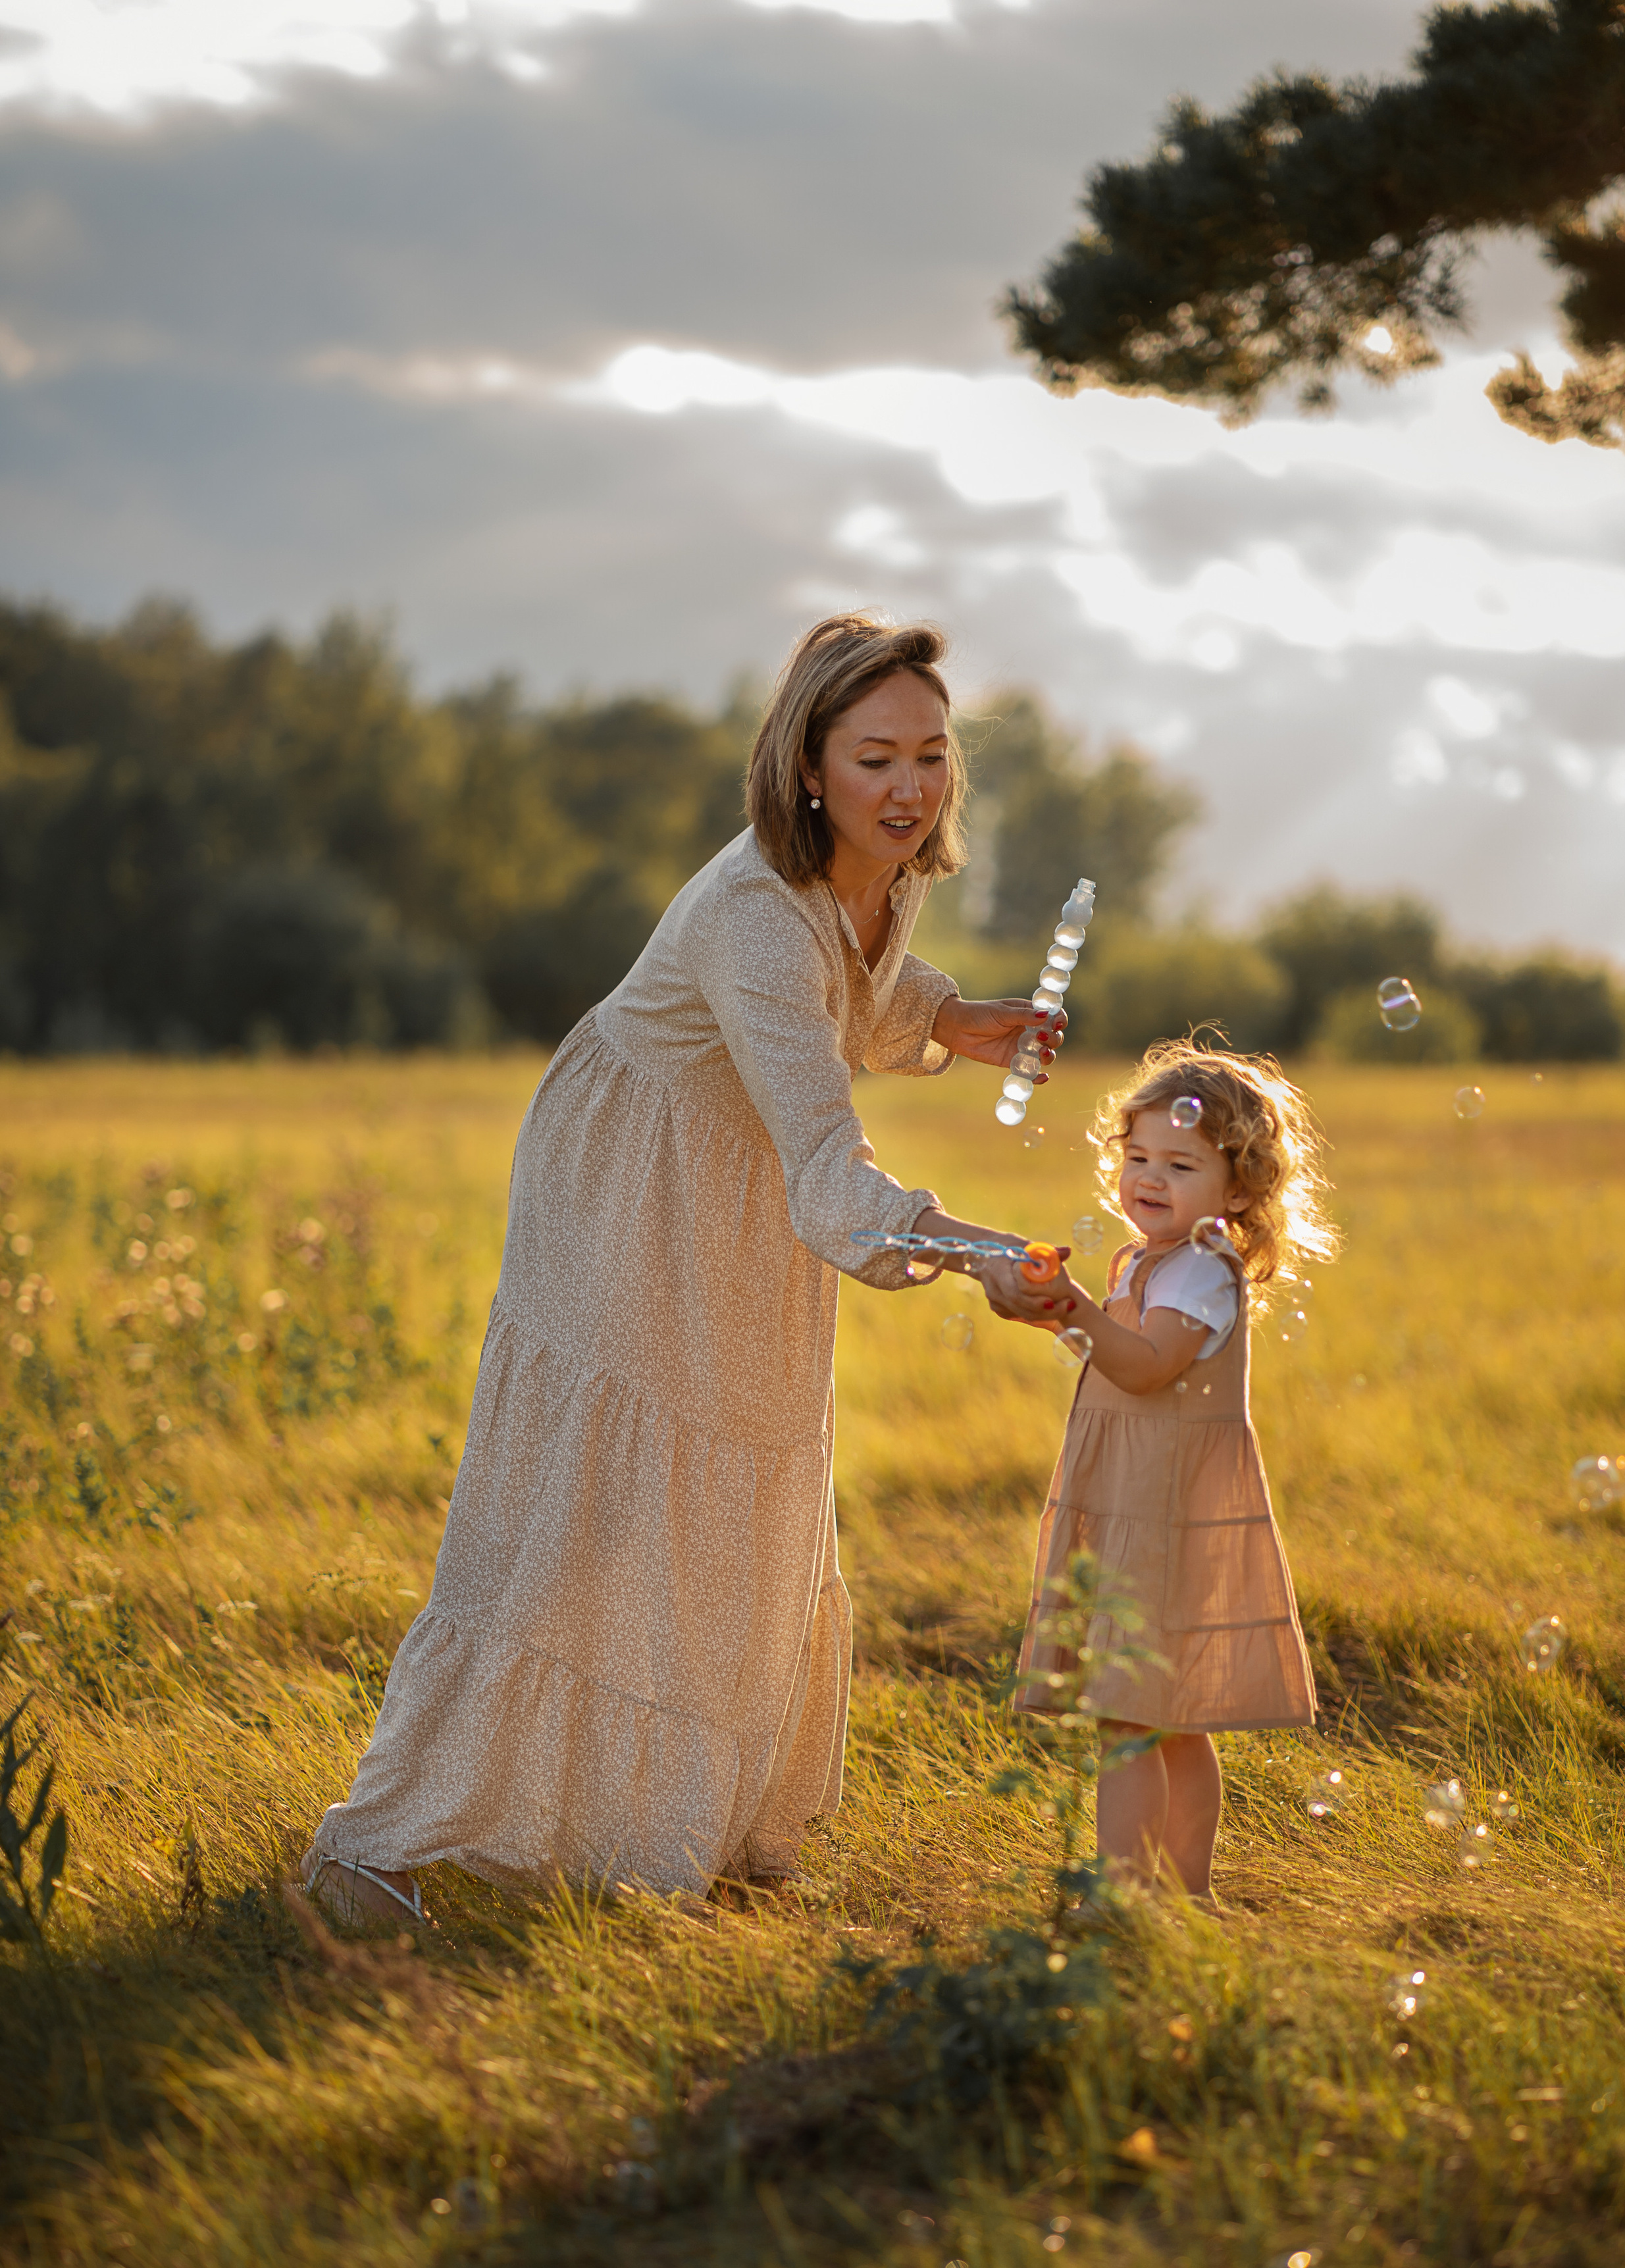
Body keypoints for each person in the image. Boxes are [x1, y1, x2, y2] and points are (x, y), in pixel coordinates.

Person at [303, 613, 1062, 1924]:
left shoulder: (884, 869)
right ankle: (373, 1847)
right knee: (594, 1494)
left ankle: (693, 1832)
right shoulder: (749, 912)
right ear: (806, 766)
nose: (908, 787)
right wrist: (981, 1254)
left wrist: (948, 1017)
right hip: (632, 1171)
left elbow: (856, 990)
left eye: (929, 756)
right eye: (874, 758)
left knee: (746, 1470)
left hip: (738, 1172)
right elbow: (826, 1159)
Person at [977, 1042, 1337, 1902]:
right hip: (1129, 1498)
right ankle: (1181, 1894)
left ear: (1240, 1190)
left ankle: (1137, 1892)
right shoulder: (1139, 1260)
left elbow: (1143, 1367)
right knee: (1157, 1711)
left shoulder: (1207, 1273)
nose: (1149, 1176)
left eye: (1180, 1163)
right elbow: (1106, 1353)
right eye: (1137, 1157)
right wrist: (1053, 1312)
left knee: (1137, 1716)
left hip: (1169, 1510)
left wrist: (1073, 1310)